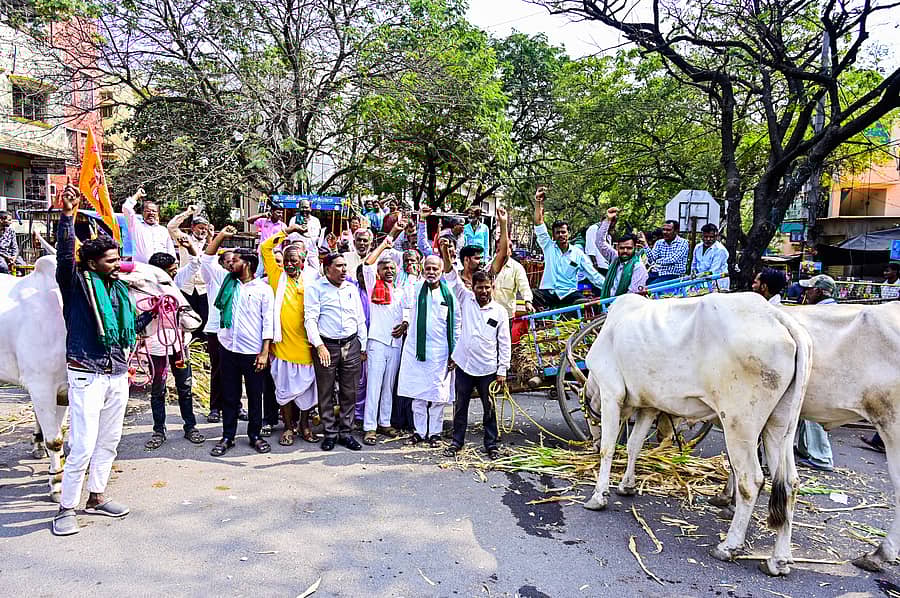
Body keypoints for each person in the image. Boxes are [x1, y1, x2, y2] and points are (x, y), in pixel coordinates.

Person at [52, 184, 135, 536]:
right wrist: (68, 217)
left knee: (109, 440)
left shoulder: (119, 288)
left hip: (117, 373)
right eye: (110, 260)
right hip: (87, 373)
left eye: (118, 259)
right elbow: (64, 256)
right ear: (91, 263)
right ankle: (66, 508)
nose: (117, 265)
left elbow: (122, 328)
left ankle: (97, 497)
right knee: (83, 445)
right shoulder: (75, 282)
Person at [442, 216, 511, 459]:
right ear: (473, 288)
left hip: (488, 368)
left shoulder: (500, 312)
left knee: (489, 408)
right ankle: (456, 442)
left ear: (492, 287)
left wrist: (502, 370)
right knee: (460, 406)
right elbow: (450, 275)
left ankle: (491, 444)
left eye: (486, 288)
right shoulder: (465, 298)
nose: (482, 291)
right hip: (464, 365)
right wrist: (445, 253)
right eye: (479, 287)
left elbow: (505, 343)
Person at [203, 227, 275, 457]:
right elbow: (207, 258)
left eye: (234, 260)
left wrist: (265, 353)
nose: (229, 264)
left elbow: (269, 323)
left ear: (247, 263)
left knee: (255, 396)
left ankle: (254, 435)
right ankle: (228, 436)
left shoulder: (263, 290)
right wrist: (222, 236)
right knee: (230, 396)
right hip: (228, 349)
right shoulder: (225, 281)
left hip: (253, 352)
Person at [260, 225, 320, 446]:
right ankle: (288, 427)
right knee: (284, 391)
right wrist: (286, 231)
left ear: (303, 261)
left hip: (306, 347)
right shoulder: (277, 277)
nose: (290, 264)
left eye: (295, 260)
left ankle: (304, 425)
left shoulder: (313, 279)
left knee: (307, 392)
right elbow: (266, 248)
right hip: (283, 347)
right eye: (287, 260)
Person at [304, 253, 368, 451]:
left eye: (345, 266)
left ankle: (346, 432)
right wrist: (319, 345)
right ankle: (330, 433)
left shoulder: (351, 288)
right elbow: (310, 319)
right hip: (327, 346)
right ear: (326, 268)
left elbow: (359, 319)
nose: (344, 270)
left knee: (350, 391)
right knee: (326, 390)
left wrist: (362, 346)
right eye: (339, 266)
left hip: (351, 345)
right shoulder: (316, 288)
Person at [143, 250, 206, 450]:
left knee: (185, 387)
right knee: (158, 390)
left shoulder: (175, 286)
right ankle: (158, 430)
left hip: (180, 345)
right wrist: (153, 310)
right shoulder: (142, 291)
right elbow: (137, 323)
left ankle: (190, 427)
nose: (174, 273)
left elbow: (190, 318)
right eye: (170, 271)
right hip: (156, 346)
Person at [396, 252, 460, 447]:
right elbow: (404, 309)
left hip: (441, 353)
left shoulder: (449, 295)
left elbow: (457, 324)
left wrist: (454, 352)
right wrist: (405, 321)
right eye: (428, 268)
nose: (431, 272)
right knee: (418, 396)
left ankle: (435, 434)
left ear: (441, 271)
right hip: (417, 350)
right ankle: (419, 431)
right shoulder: (414, 290)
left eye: (435, 269)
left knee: (438, 397)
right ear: (423, 270)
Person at [360, 235, 407, 445]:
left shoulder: (400, 291)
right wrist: (384, 245)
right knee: (374, 386)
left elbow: (407, 313)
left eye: (392, 268)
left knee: (388, 386)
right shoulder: (373, 286)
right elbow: (367, 264)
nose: (389, 271)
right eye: (385, 268)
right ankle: (369, 427)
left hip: (395, 344)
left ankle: (384, 422)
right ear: (379, 272)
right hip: (377, 343)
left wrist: (405, 325)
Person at [532, 187, 605, 309]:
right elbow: (539, 223)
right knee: (530, 295)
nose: (561, 235)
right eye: (557, 233)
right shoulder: (548, 246)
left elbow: (593, 275)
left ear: (568, 234)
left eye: (563, 232)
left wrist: (612, 289)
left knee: (585, 303)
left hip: (568, 293)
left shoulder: (578, 254)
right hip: (548, 292)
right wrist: (538, 202)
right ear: (553, 236)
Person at [795, 274, 837, 471]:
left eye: (810, 289)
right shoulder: (832, 309)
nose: (806, 292)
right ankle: (804, 449)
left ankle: (821, 458)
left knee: (814, 413)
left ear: (819, 291)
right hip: (825, 365)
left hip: (823, 366)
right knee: (805, 410)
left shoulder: (824, 313)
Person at [167, 205, 211, 329]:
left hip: (203, 288)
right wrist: (188, 212)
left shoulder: (209, 244)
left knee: (204, 317)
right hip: (186, 286)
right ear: (192, 227)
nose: (203, 231)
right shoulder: (184, 239)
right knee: (186, 317)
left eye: (205, 229)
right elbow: (171, 227)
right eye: (200, 228)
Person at [590, 207, 649, 298]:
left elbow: (632, 295)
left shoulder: (638, 267)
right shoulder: (615, 258)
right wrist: (608, 219)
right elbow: (600, 242)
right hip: (608, 303)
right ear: (617, 247)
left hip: (624, 307)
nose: (625, 251)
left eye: (629, 248)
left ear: (635, 248)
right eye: (622, 248)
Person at [123, 188, 176, 263]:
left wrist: (174, 264)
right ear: (142, 213)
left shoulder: (163, 230)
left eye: (154, 211)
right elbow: (126, 207)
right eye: (148, 211)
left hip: (161, 269)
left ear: (158, 214)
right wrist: (138, 195)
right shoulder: (136, 226)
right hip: (142, 268)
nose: (151, 213)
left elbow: (170, 249)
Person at [492, 233, 534, 318]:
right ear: (496, 250)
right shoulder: (489, 266)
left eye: (505, 249)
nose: (502, 253)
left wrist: (528, 301)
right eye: (499, 250)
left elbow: (524, 286)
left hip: (507, 314)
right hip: (489, 313)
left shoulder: (517, 267)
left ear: (510, 251)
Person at [640, 219, 689, 284]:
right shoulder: (659, 243)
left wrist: (656, 262)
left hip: (673, 274)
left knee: (652, 286)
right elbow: (652, 259)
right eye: (664, 229)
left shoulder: (683, 243)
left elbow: (673, 259)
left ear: (676, 231)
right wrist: (645, 245)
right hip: (656, 273)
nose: (665, 232)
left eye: (668, 230)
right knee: (640, 282)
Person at [691, 223, 730, 289]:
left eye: (711, 237)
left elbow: (713, 271)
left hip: (716, 284)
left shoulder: (720, 250)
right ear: (702, 236)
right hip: (700, 283)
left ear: (716, 236)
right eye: (706, 237)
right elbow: (694, 265)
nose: (708, 239)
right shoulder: (698, 247)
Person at [0, 210, 19, 274]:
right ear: (1, 220)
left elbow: (15, 246)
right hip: (1, 255)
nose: (11, 222)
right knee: (3, 267)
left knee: (22, 265)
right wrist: (7, 257)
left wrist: (14, 257)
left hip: (10, 255)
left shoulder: (11, 231)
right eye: (9, 220)